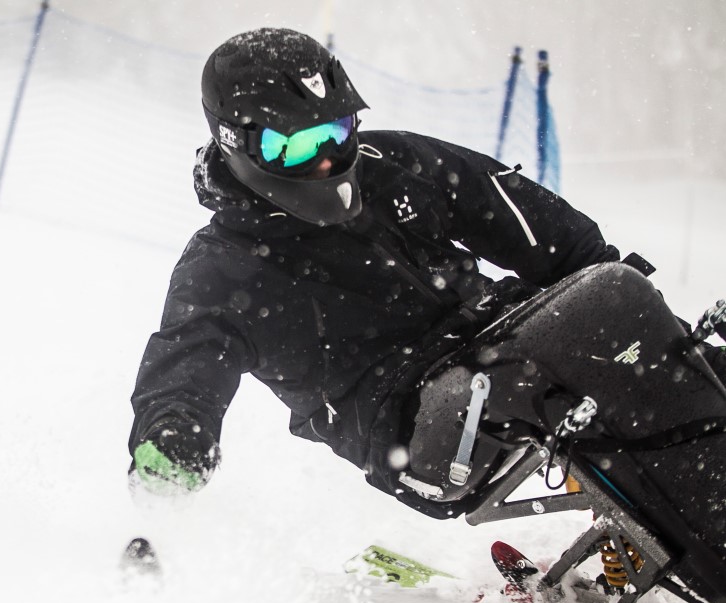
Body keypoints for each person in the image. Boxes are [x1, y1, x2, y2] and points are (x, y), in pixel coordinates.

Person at [127, 27, 726, 520]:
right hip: (413, 428)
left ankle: (683, 503)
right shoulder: (222, 268)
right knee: (597, 331)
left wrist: (653, 331)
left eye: (338, 133)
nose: (330, 161)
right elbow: (182, 370)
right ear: (238, 145)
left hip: (498, 336)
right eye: (298, 147)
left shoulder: (392, 164)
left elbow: (516, 212)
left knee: (656, 343)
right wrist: (173, 442)